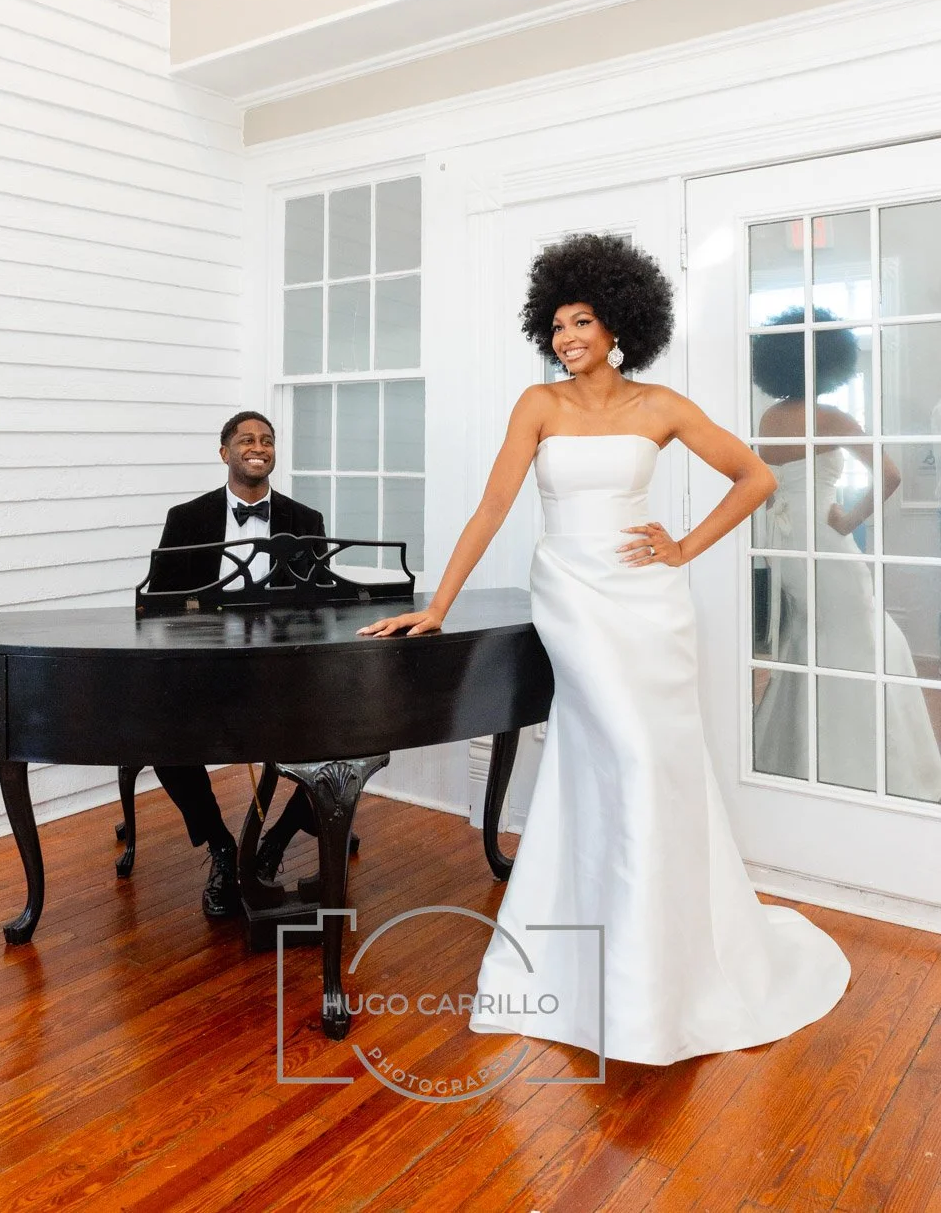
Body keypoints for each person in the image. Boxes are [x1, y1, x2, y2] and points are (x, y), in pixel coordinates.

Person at [358, 233, 850, 1065]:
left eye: (582, 321)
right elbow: (490, 508)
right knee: (614, 750)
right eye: (556, 324)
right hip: (572, 598)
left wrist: (685, 548)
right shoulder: (537, 406)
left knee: (652, 759)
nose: (567, 337)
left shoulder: (661, 406)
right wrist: (436, 605)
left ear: (618, 324)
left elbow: (756, 477)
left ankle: (662, 963)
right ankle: (603, 956)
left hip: (648, 604)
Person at [752, 310, 941, 800]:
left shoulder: (769, 418)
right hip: (825, 535)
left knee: (811, 630)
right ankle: (866, 766)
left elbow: (767, 490)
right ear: (829, 362)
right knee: (858, 630)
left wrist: (780, 528)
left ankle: (798, 759)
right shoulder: (831, 417)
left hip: (784, 537)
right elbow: (892, 475)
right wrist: (849, 521)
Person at [149, 411, 322, 918]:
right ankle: (222, 848)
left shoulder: (305, 520)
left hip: (282, 668)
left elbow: (322, 607)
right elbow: (159, 602)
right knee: (163, 736)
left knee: (354, 732)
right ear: (224, 452)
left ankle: (274, 844)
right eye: (246, 439)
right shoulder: (186, 518)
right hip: (204, 667)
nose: (258, 446)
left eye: (267, 440)